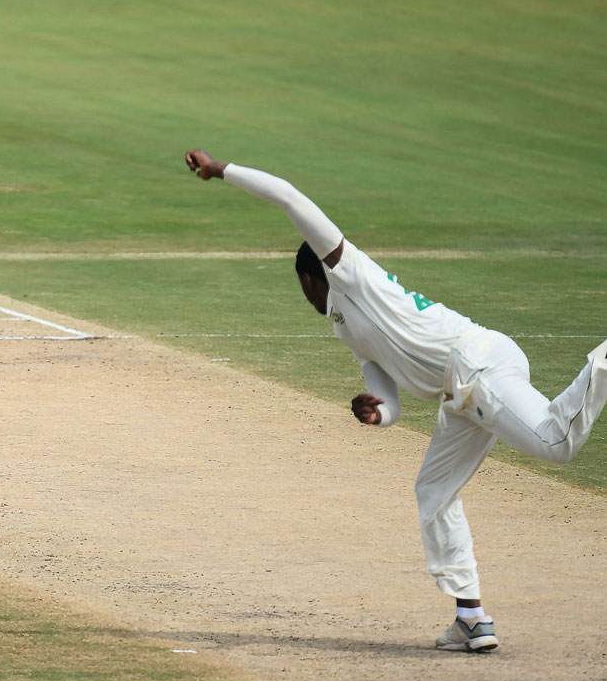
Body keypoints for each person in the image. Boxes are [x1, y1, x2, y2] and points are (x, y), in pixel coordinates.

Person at [185, 148, 607, 652]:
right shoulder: (345, 328)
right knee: (433, 491)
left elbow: (290, 198)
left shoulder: (348, 270)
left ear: (309, 277)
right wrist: (376, 413)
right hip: (460, 395)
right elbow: (391, 402)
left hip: (477, 364)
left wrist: (221, 170)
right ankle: (470, 618)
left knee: (556, 443)